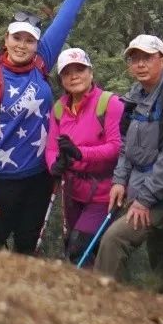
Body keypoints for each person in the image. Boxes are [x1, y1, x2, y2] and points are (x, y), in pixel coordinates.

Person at [0, 0, 103, 254]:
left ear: (36, 44)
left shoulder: (42, 62)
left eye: (28, 40)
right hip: (2, 176)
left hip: (40, 174)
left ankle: (22, 296)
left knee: (28, 241)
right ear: (6, 40)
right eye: (17, 38)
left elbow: (64, 21)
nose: (22, 45)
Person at [95, 34, 163, 281]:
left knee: (114, 240)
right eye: (134, 58)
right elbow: (127, 145)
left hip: (162, 194)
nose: (140, 64)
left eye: (147, 57)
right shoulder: (136, 94)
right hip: (143, 187)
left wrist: (144, 201)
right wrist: (119, 180)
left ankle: (101, 302)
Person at [44, 47, 123, 265]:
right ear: (61, 80)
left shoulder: (109, 103)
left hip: (102, 194)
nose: (74, 76)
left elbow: (116, 147)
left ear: (90, 72)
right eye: (67, 72)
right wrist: (54, 165)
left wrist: (80, 153)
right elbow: (51, 148)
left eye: (80, 69)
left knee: (80, 248)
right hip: (71, 192)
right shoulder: (59, 109)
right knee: (74, 246)